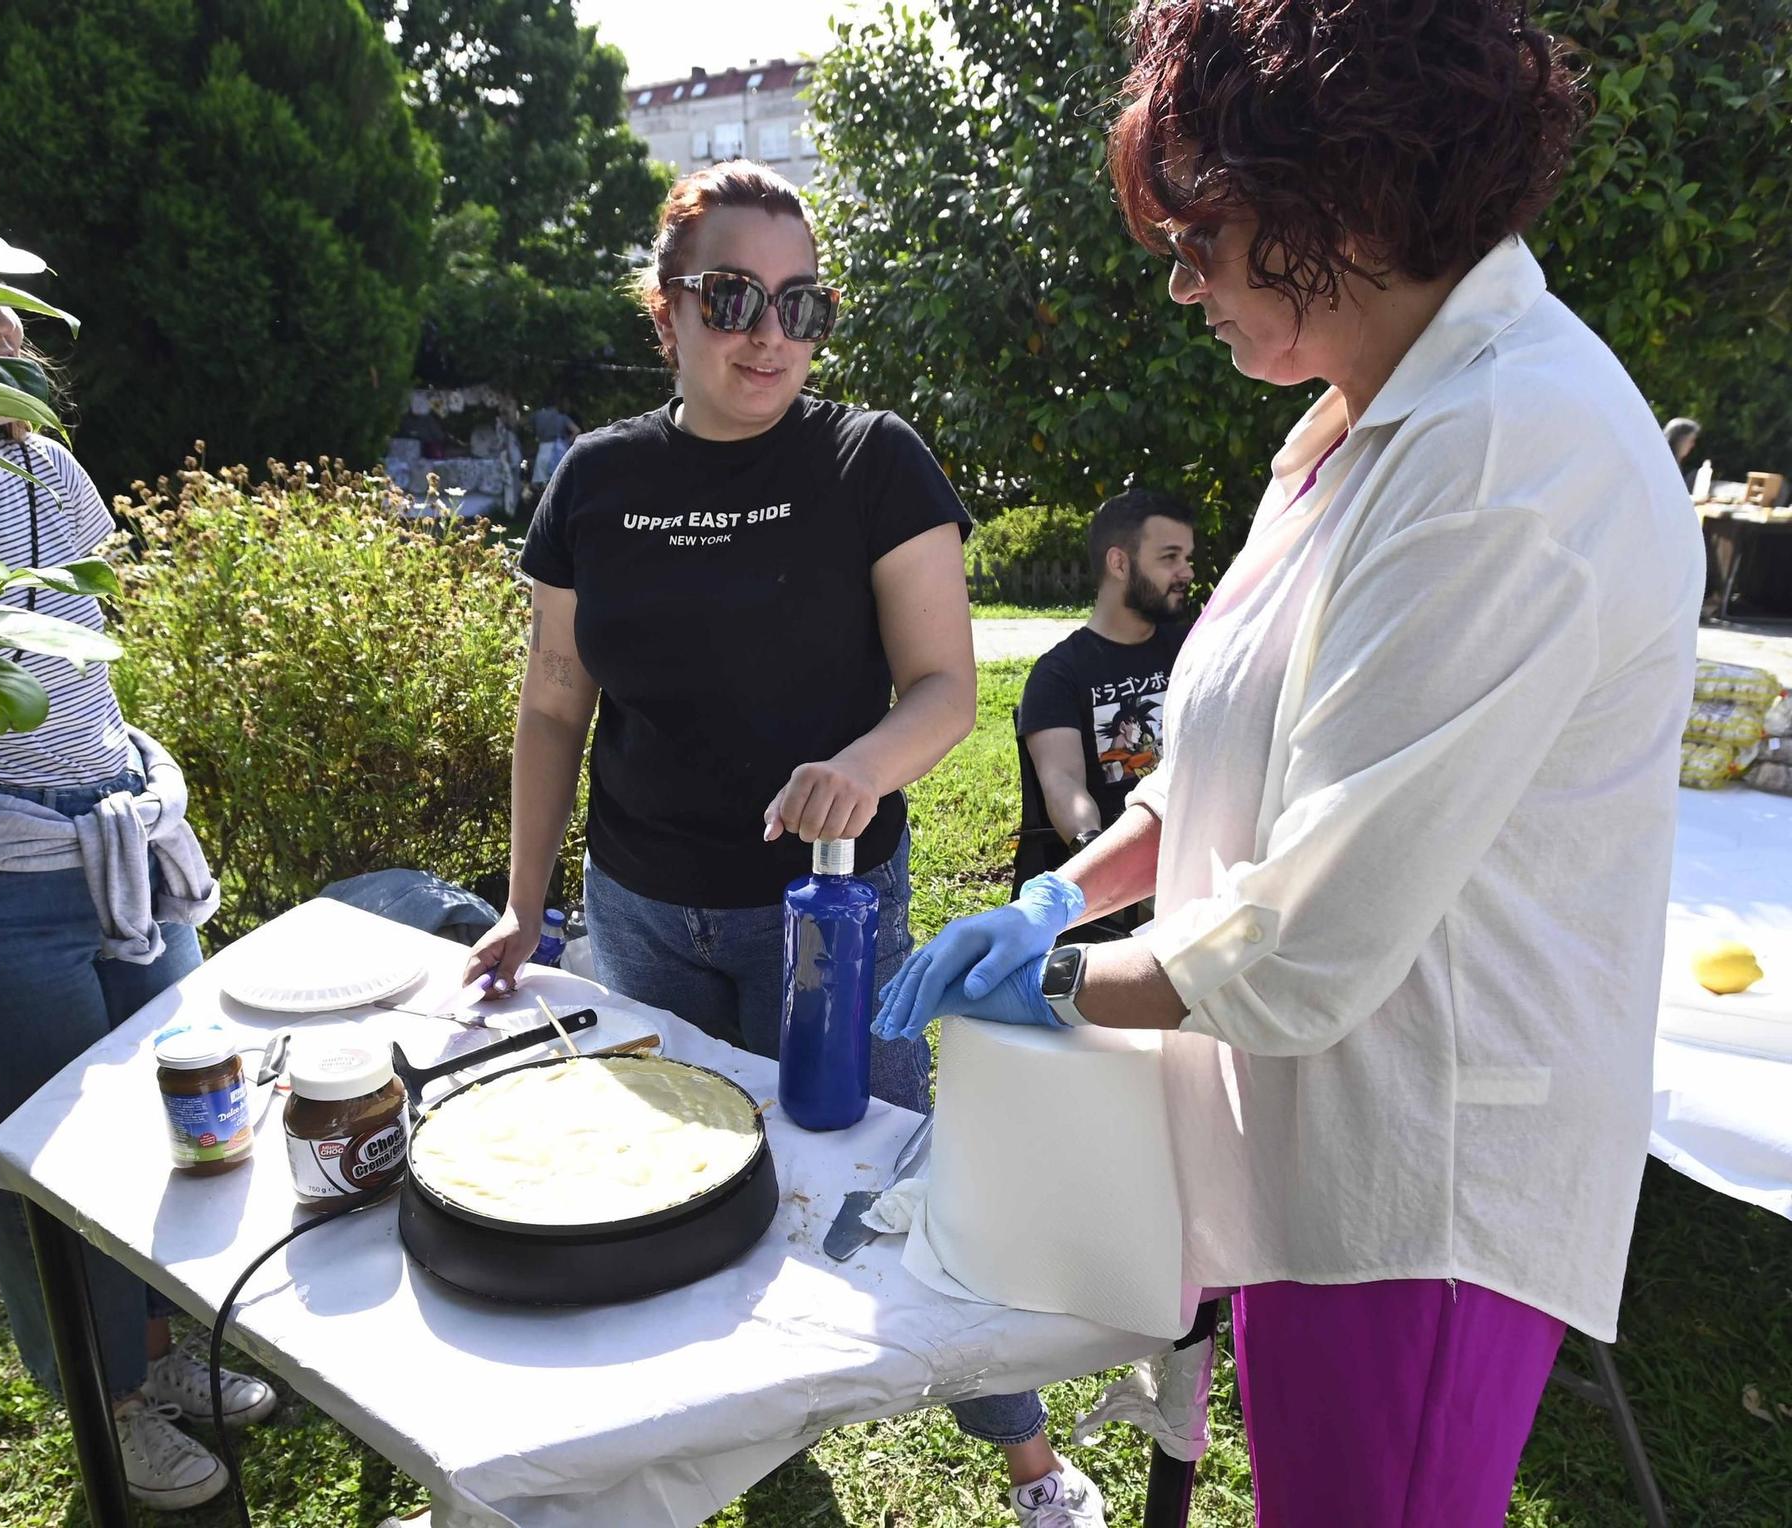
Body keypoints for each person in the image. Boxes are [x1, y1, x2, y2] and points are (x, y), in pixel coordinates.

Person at [876, 5, 1702, 1525]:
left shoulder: (1508, 456)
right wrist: (1057, 898)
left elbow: (1305, 938)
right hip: (1317, 1146)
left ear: (1343, 202)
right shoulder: (1359, 426)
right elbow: (1222, 768)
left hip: (1423, 1179)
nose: (1183, 284)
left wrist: (1054, 988)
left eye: (1201, 237)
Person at [462, 160, 1106, 1526]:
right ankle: (714, 1421)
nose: (770, 331)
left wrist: (860, 770)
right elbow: (553, 703)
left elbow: (946, 686)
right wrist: (529, 907)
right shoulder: (595, 476)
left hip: (827, 912)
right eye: (734, 295)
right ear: (665, 313)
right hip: (637, 907)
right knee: (667, 1185)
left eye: (801, 301)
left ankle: (1029, 1460)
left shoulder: (872, 458)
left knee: (891, 1181)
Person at [0, 190, 273, 1512]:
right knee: (58, 1180)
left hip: (119, 856)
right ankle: (110, 1401)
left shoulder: (34, 459)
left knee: (197, 1129)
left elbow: (83, 664)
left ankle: (172, 1351)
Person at [1017, 486, 1194, 934]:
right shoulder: (1059, 673)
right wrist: (1097, 855)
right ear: (1120, 563)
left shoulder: (1197, 645)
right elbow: (1063, 783)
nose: (1186, 572)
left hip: (1205, 849)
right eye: (1170, 557)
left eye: (1187, 558)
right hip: (1130, 872)